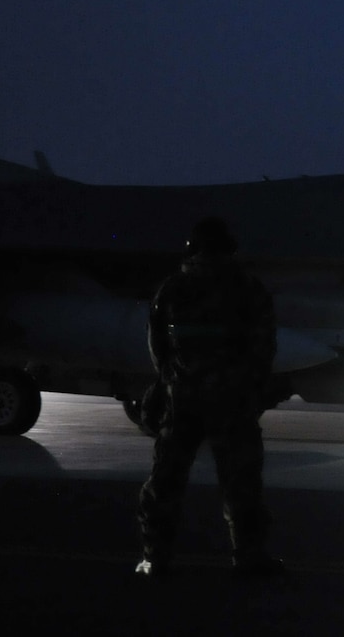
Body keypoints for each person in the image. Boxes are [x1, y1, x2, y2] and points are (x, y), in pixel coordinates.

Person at [135, 217, 283, 579]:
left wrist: (173, 382)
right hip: (233, 403)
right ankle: (249, 558)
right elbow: (264, 349)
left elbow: (159, 350)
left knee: (166, 482)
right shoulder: (248, 289)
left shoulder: (172, 289)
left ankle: (155, 558)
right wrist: (250, 389)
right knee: (241, 485)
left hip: (182, 401)